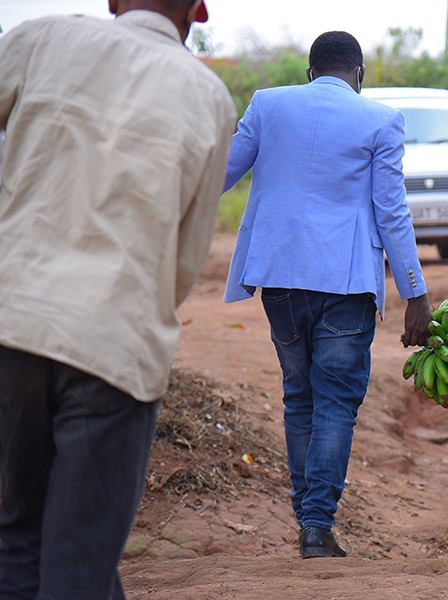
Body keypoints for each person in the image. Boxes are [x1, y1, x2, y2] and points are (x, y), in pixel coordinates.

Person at [0, 0, 235, 597]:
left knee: (13, 542)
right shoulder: (207, 98)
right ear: (199, 11)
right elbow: (185, 261)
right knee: (79, 563)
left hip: (13, 321)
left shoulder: (38, 40)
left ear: (110, 0)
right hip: (114, 347)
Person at [222, 30, 432, 559]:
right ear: (359, 74)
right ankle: (317, 526)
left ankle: (307, 518)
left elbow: (218, 174)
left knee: (300, 398)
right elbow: (392, 211)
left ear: (310, 71)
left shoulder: (268, 105)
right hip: (345, 283)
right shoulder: (380, 119)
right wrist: (416, 292)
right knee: (336, 403)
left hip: (280, 278)